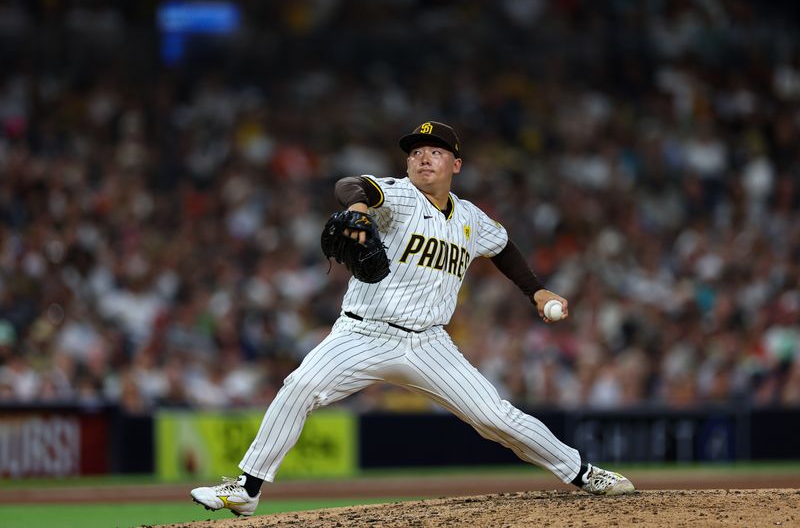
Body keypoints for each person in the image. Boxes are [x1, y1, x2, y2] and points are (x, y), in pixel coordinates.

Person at [190, 121, 635, 516]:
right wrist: (361, 210)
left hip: (428, 343)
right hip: (363, 332)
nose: (424, 156)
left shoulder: (470, 218)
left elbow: (503, 248)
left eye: (436, 151)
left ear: (455, 165)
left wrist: (535, 290)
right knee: (301, 386)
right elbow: (351, 185)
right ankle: (247, 488)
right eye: (416, 151)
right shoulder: (399, 196)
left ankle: (582, 472)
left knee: (496, 418)